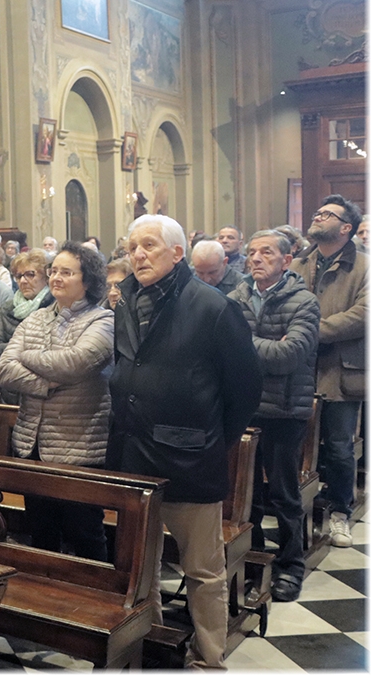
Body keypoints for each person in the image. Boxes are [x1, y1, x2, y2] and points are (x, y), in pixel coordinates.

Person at [109, 214, 260, 669]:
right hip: (134, 453)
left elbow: (245, 389)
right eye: (132, 247)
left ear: (177, 253)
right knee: (141, 566)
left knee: (203, 569)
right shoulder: (126, 301)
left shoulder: (212, 306)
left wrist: (211, 439)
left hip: (189, 457)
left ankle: (208, 657)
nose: (138, 255)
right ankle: (151, 641)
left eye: (149, 245)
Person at [0, 242, 114, 561]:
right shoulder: (36, 318)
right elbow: (5, 370)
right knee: (41, 529)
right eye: (53, 271)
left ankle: (93, 590)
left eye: (67, 272)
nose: (56, 278)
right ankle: (45, 588)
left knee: (84, 532)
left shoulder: (102, 320)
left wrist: (27, 356)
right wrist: (47, 384)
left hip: (78, 446)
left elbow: (76, 363)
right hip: (32, 444)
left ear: (87, 280)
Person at [228, 230, 320, 601]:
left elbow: (288, 356)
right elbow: (219, 348)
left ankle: (290, 566)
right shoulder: (235, 297)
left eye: (266, 252)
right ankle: (253, 560)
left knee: (283, 494)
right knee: (245, 495)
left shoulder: (304, 301)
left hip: (284, 410)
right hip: (244, 407)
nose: (256, 258)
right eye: (252, 252)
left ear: (286, 260)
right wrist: (265, 346)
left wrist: (241, 343)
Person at [290, 195, 367, 548]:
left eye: (327, 214)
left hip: (340, 370)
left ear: (346, 227)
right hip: (299, 368)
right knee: (296, 443)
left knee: (337, 446)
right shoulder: (300, 263)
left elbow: (363, 314)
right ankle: (295, 509)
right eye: (318, 212)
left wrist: (311, 331)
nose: (318, 216)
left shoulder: (363, 266)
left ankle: (340, 511)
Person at [0, 249, 53, 403]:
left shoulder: (54, 306)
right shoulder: (8, 307)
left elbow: (51, 353)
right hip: (9, 388)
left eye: (30, 274)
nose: (23, 281)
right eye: (19, 276)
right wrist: (27, 352)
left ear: (46, 277)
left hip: (44, 391)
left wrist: (13, 352)